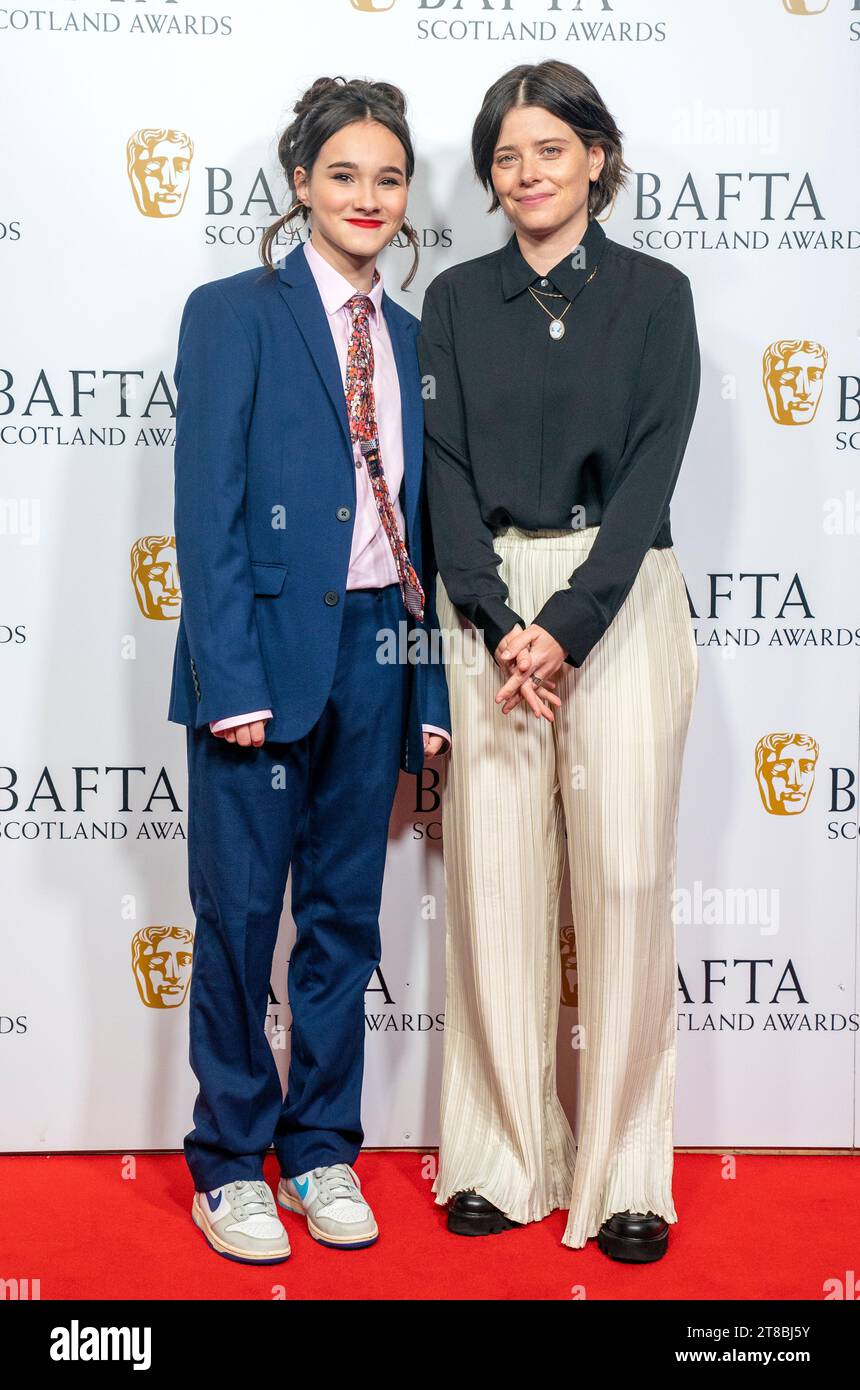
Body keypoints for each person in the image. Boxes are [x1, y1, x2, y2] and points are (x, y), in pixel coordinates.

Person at [419, 59, 700, 1261]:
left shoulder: (655, 294)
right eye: (503, 155)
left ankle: (628, 1169)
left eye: (548, 147)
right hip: (485, 604)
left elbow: (649, 473)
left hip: (619, 598)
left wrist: (569, 624)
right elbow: (441, 469)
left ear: (595, 155)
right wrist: (492, 615)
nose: (525, 172)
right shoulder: (450, 300)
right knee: (492, 887)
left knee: (626, 883)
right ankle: (496, 1153)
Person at [168, 75, 450, 1263]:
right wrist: (229, 678)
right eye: (343, 173)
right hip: (262, 664)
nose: (367, 196)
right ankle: (229, 1161)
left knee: (344, 918)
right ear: (300, 184)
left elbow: (426, 533)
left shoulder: (412, 337)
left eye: (388, 177)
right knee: (239, 919)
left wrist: (425, 692)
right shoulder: (233, 311)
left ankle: (322, 1144)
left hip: (377, 649)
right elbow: (208, 508)